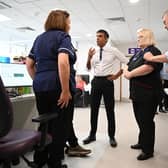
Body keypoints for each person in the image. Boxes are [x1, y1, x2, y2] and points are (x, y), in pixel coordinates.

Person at [26, 10, 76, 168]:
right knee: (60, 124)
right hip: (58, 85)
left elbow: (29, 64)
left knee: (45, 122)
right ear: (62, 22)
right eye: (68, 21)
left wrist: (39, 79)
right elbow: (63, 62)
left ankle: (40, 159)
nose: (69, 24)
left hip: (40, 86)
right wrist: (65, 90)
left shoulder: (39, 38)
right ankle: (55, 162)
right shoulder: (63, 37)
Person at [83, 29, 128, 147]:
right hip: (96, 81)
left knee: (110, 110)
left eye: (100, 36)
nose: (97, 38)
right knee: (94, 109)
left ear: (106, 38)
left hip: (108, 82)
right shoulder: (94, 52)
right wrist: (88, 57)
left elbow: (126, 61)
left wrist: (117, 75)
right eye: (96, 36)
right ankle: (92, 135)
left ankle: (111, 136)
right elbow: (88, 68)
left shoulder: (113, 50)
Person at [124, 28, 163, 160]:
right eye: (138, 36)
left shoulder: (153, 51)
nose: (138, 38)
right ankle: (142, 142)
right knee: (140, 120)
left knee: (146, 122)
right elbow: (128, 65)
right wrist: (127, 71)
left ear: (148, 37)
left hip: (148, 94)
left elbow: (148, 67)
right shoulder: (139, 53)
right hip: (137, 94)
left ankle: (148, 150)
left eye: (140, 36)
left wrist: (130, 74)